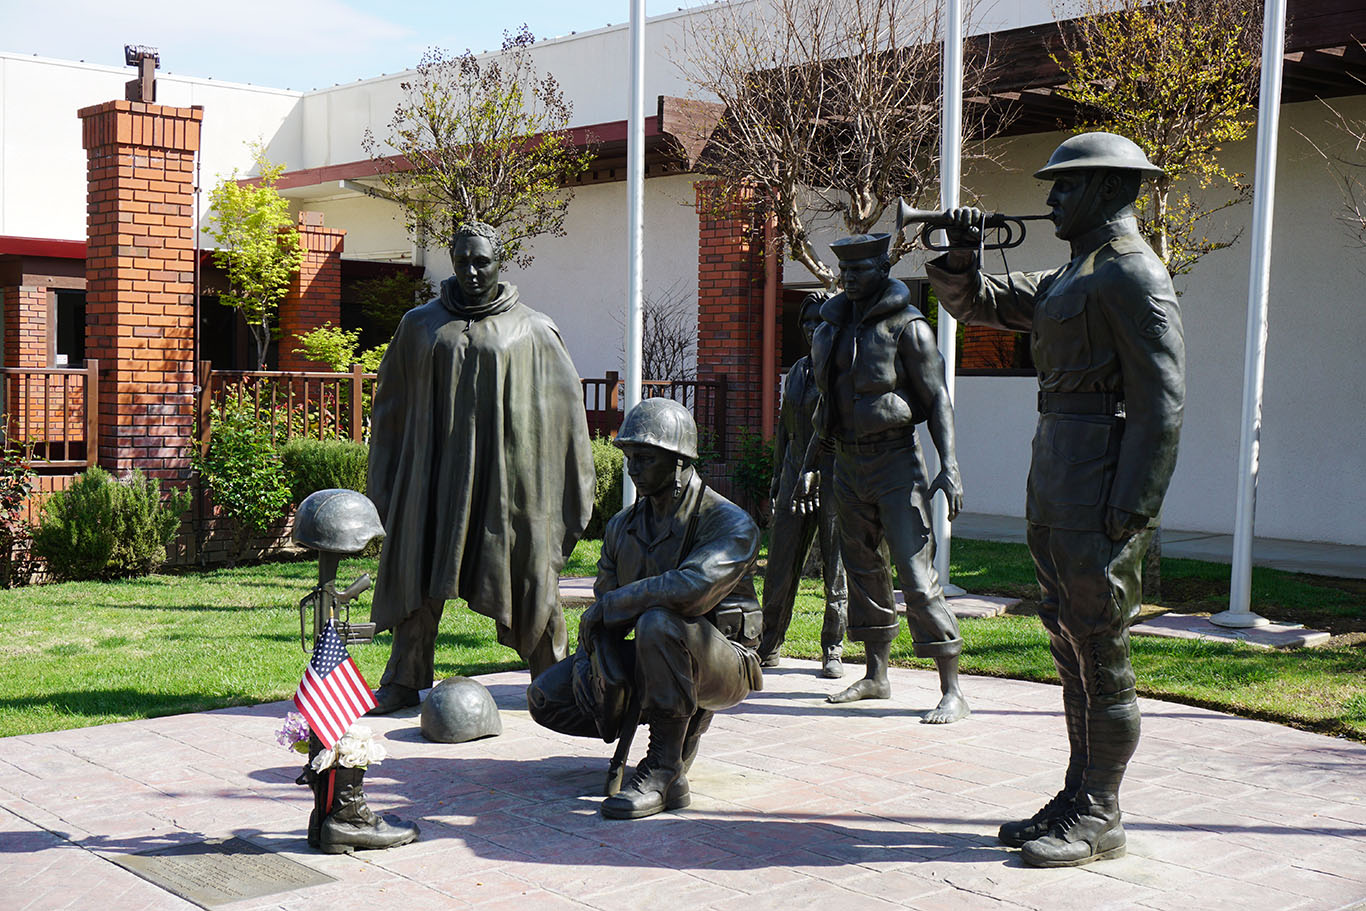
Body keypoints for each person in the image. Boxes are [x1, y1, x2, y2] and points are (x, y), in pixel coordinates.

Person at [925, 131, 1185, 867]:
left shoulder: (1133, 273)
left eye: (1066, 185)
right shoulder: (1075, 273)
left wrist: (1131, 507)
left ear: (1108, 189)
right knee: (1070, 642)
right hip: (1059, 473)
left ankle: (1102, 810)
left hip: (1098, 482)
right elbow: (976, 303)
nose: (1053, 198)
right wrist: (961, 254)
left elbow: (1163, 402)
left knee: (1100, 645)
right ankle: (1078, 793)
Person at [365, 221, 596, 714]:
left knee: (530, 573)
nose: (471, 271)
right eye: (462, 261)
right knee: (419, 567)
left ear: (499, 262)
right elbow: (391, 409)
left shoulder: (533, 329)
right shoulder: (420, 325)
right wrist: (386, 483)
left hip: (507, 483)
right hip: (432, 478)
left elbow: (567, 419)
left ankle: (554, 678)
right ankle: (403, 677)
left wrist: (569, 492)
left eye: (482, 261)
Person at [527, 398, 763, 820]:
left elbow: (692, 590)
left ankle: (665, 769)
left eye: (645, 458)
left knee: (659, 621)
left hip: (723, 663)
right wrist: (593, 667)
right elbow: (604, 613)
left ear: (679, 461)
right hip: (655, 653)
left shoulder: (730, 523)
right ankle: (659, 718)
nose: (632, 468)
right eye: (629, 457)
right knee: (546, 698)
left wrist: (615, 606)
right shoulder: (622, 526)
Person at [793, 232, 969, 724]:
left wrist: (950, 465)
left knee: (916, 577)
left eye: (860, 270)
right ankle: (876, 675)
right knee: (864, 572)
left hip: (896, 464)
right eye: (844, 271)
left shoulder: (909, 327)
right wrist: (810, 464)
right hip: (847, 465)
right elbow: (827, 408)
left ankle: (953, 689)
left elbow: (937, 399)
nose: (849, 279)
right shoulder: (830, 330)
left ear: (883, 269)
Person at [758, 291, 848, 678]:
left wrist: (815, 470)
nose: (812, 328)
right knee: (780, 562)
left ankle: (833, 648)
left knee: (835, 565)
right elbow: (784, 428)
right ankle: (769, 642)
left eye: (820, 321)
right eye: (807, 321)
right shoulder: (796, 371)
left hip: (832, 474)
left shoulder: (843, 369)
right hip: (794, 473)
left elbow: (836, 427)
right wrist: (778, 476)